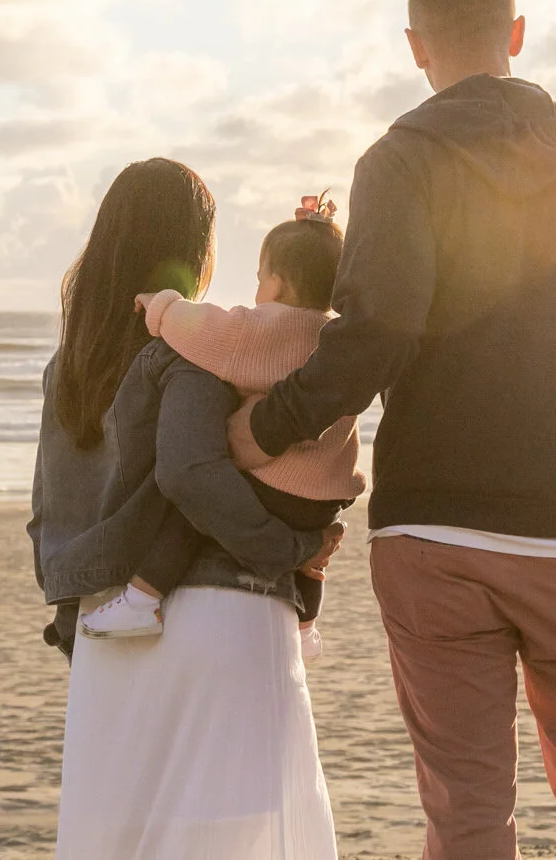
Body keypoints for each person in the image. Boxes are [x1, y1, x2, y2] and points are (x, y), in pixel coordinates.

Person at [246, 0, 556, 860]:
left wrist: (263, 426)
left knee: (468, 808)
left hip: (437, 534)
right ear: (515, 35)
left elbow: (374, 333)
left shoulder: (399, 161)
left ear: (416, 46)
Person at [27, 157, 342, 860]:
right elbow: (194, 475)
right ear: (195, 248)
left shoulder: (65, 368)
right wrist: (294, 549)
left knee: (117, 843)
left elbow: (48, 515)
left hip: (105, 631)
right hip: (220, 612)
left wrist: (76, 616)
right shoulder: (193, 349)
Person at [79, 194, 361, 664]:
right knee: (315, 559)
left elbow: (204, 329)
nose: (255, 291)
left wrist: (162, 305)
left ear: (277, 282)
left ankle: (142, 600)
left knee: (189, 512)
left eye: (258, 279)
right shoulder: (335, 338)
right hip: (326, 494)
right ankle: (307, 628)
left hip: (274, 481)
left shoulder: (261, 329)